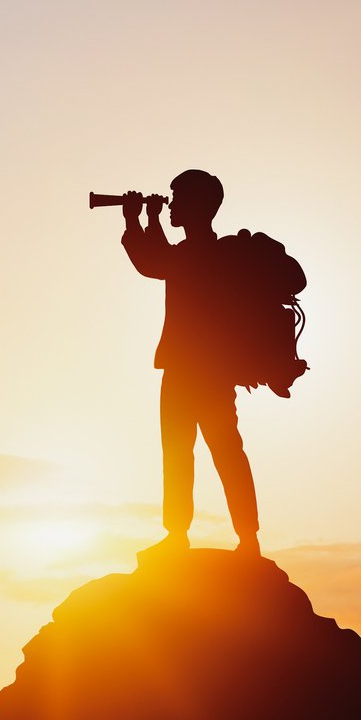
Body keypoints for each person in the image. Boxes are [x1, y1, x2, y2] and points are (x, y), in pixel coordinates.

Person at [119, 169, 261, 559]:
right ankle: (209, 535)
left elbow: (154, 262)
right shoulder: (204, 253)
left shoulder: (205, 254)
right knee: (196, 451)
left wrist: (136, 219)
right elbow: (162, 259)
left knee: (216, 451)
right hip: (196, 370)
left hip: (196, 371)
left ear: (198, 206)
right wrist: (145, 219)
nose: (171, 206)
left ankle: (238, 537)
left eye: (177, 199)